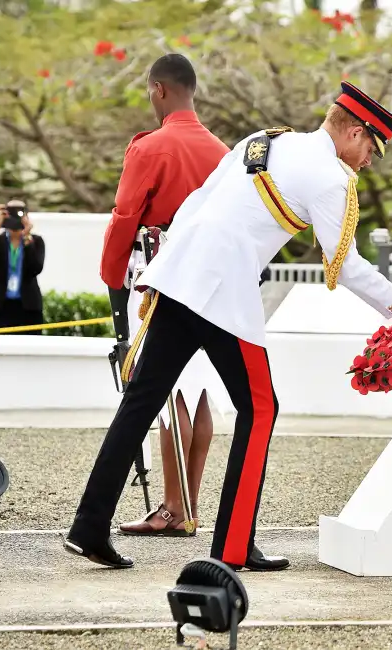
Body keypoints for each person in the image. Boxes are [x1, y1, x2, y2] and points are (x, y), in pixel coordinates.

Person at [62, 80, 392, 570]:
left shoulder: (266, 139)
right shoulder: (331, 178)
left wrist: (174, 266)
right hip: (222, 294)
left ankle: (88, 527)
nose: (370, 159)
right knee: (260, 409)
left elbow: (197, 202)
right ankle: (234, 545)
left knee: (140, 402)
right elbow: (345, 264)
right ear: (353, 132)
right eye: (372, 147)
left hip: (179, 277)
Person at [97, 53, 243, 549]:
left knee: (169, 396)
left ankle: (173, 508)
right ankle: (191, 505)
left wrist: (112, 275)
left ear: (159, 90)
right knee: (200, 393)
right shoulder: (223, 152)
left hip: (161, 275)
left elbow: (124, 216)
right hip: (213, 284)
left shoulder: (151, 147)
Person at [0, 199, 46, 333]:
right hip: (1, 305)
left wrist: (27, 236)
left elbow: (36, 268)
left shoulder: (36, 241)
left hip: (28, 306)